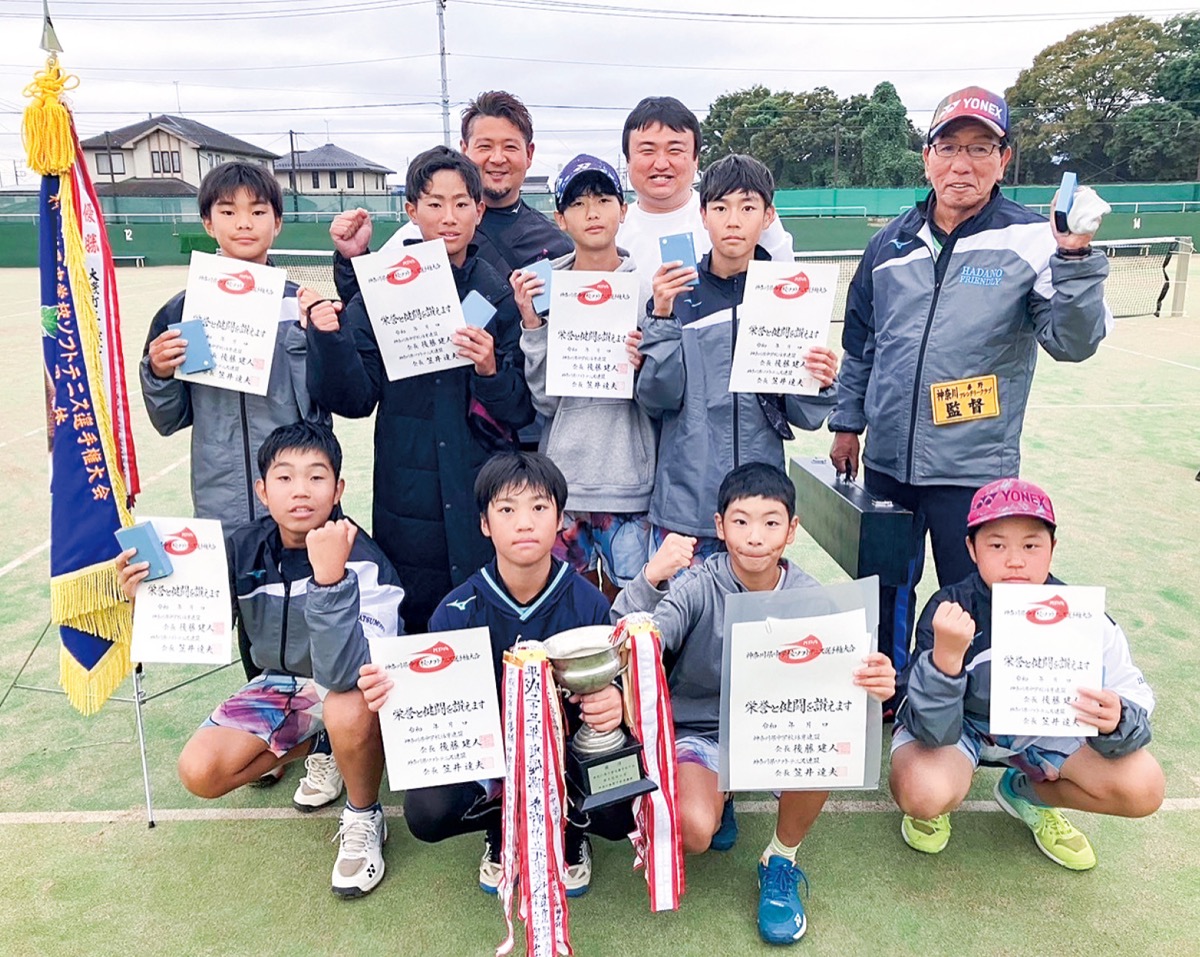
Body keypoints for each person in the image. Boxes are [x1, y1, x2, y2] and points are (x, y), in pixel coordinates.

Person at [828, 87, 1112, 694]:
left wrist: (1076, 257)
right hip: (886, 466)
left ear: (1004, 158)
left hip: (975, 471)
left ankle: (970, 707)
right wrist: (847, 423)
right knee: (884, 594)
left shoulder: (1034, 240)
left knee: (973, 600)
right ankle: (890, 695)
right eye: (949, 147)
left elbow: (1072, 341)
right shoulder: (890, 243)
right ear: (927, 156)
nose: (963, 163)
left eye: (980, 147)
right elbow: (861, 344)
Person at [115, 422, 407, 897]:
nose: (300, 491)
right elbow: (191, 618)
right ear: (262, 491)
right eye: (284, 477)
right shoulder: (240, 548)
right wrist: (144, 598)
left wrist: (330, 583)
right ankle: (322, 748)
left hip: (351, 688)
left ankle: (363, 814)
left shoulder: (367, 560)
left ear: (338, 490)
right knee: (200, 772)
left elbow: (347, 672)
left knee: (345, 707)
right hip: (278, 686)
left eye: (316, 477)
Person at [611, 463, 896, 944]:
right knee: (696, 831)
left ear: (792, 530)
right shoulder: (698, 584)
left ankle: (780, 858)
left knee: (833, 746)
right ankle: (719, 795)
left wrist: (877, 681)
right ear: (719, 526)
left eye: (770, 522)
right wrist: (648, 594)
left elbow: (849, 678)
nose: (755, 536)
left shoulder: (813, 599)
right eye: (740, 521)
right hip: (701, 730)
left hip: (778, 732)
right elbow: (636, 632)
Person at [138, 160, 338, 806]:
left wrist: (319, 336)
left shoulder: (298, 300)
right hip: (224, 494)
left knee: (312, 606)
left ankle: (329, 735)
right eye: (229, 211)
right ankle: (273, 737)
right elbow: (169, 418)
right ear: (207, 222)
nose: (244, 222)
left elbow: (327, 399)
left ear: (278, 222)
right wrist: (158, 369)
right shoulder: (181, 309)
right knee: (253, 616)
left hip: (296, 496)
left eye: (258, 211)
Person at [357, 452, 631, 898]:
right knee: (427, 811)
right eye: (507, 509)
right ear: (484, 523)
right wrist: (393, 692)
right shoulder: (455, 610)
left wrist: (615, 704)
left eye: (539, 508)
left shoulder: (590, 604)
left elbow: (616, 684)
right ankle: (502, 827)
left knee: (622, 804)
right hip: (489, 754)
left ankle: (570, 830)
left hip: (565, 754)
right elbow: (433, 700)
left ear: (561, 519)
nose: (524, 522)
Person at [303, 147, 534, 634]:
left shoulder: (497, 293)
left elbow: (520, 409)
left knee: (488, 629)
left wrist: (490, 369)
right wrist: (330, 338)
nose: (448, 217)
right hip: (406, 496)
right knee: (416, 633)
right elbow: (355, 398)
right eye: (433, 203)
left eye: (460, 203)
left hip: (479, 493)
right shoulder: (386, 287)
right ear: (411, 211)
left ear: (478, 209)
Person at [890, 478, 1163, 871]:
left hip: (1044, 730)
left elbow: (1133, 693)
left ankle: (1028, 793)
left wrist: (1118, 719)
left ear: (1053, 549)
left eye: (1031, 545)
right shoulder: (948, 610)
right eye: (997, 545)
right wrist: (945, 664)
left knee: (1144, 787)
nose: (1015, 560)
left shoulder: (1083, 616)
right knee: (924, 791)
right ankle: (936, 806)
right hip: (963, 730)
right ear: (971, 549)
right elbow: (928, 728)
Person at [636, 153, 837, 564]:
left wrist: (822, 380)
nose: (733, 220)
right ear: (703, 214)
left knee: (756, 627)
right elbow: (658, 400)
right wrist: (659, 319)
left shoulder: (789, 296)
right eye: (721, 207)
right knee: (681, 624)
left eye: (747, 207)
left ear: (767, 216)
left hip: (759, 512)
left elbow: (804, 414)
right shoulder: (676, 294)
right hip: (685, 508)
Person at [511, 154, 655, 600]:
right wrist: (532, 326)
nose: (592, 212)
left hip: (631, 486)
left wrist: (645, 369)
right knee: (563, 613)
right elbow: (546, 403)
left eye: (603, 198)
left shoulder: (649, 290)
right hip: (564, 483)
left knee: (632, 615)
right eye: (577, 203)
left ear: (623, 209)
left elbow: (662, 397)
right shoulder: (545, 289)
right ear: (560, 218)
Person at [329, 91, 572, 300]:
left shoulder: (556, 246)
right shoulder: (417, 232)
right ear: (464, 150)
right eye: (485, 146)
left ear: (529, 154)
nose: (497, 158)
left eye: (510, 147)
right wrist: (353, 259)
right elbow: (370, 312)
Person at [616, 96, 794, 285]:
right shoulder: (607, 228)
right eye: (647, 151)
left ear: (696, 159)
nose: (661, 164)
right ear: (628, 159)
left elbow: (786, 289)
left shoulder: (746, 216)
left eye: (675, 150)